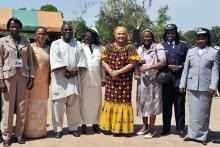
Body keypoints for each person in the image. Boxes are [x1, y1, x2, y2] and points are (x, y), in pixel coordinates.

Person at [179, 28, 219, 145]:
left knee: (203, 112)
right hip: (191, 86)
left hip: (206, 86)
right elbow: (186, 69)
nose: (200, 40)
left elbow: (215, 71)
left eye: (203, 38)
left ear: (207, 39)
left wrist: (213, 86)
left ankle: (202, 136)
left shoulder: (214, 52)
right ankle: (191, 134)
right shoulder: (190, 52)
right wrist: (182, 84)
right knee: (192, 112)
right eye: (198, 38)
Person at [0, 18, 34, 146]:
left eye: (17, 27)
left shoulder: (26, 41)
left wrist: (32, 77)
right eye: (12, 26)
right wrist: (1, 80)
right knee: (7, 107)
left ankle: (19, 135)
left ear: (20, 28)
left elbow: (30, 60)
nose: (15, 29)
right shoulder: (2, 41)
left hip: (23, 76)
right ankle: (6, 136)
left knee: (22, 107)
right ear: (8, 28)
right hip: (8, 77)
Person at [100, 26, 139, 136]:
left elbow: (133, 63)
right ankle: (110, 126)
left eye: (123, 34)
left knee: (123, 102)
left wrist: (118, 72)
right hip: (111, 80)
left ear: (126, 35)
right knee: (110, 100)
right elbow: (103, 61)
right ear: (114, 35)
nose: (121, 36)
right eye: (119, 34)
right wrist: (111, 71)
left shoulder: (130, 48)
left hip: (124, 81)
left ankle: (122, 128)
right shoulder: (109, 47)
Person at [50, 23, 87, 138]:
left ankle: (73, 128)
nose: (68, 32)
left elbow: (82, 61)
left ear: (73, 32)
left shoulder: (78, 44)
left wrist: (74, 72)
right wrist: (67, 71)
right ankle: (58, 129)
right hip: (60, 80)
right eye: (65, 30)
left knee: (73, 106)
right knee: (58, 106)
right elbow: (55, 60)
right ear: (61, 32)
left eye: (70, 30)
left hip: (74, 79)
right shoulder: (55, 44)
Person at [134, 29, 166, 139]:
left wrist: (148, 66)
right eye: (144, 37)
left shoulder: (158, 47)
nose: (146, 39)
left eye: (149, 36)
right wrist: (136, 73)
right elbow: (136, 62)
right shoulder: (139, 48)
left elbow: (163, 62)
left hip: (154, 79)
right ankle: (145, 126)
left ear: (152, 37)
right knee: (142, 103)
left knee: (153, 103)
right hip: (142, 80)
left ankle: (152, 128)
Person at [160, 24, 188, 138]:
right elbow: (158, 61)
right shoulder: (161, 46)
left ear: (176, 33)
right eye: (168, 32)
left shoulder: (182, 45)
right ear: (165, 34)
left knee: (179, 105)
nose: (170, 34)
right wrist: (167, 66)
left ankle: (180, 128)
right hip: (166, 81)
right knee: (166, 106)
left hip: (179, 81)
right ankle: (166, 128)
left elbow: (188, 62)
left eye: (172, 32)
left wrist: (180, 67)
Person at [24, 27, 50, 138]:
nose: (41, 36)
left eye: (43, 34)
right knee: (30, 106)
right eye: (39, 34)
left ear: (46, 36)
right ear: (35, 35)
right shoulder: (30, 47)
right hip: (32, 82)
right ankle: (29, 133)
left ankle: (41, 132)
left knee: (42, 106)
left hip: (44, 82)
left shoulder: (49, 48)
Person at [80, 27, 104, 134]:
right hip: (83, 79)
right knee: (83, 103)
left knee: (96, 103)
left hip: (96, 80)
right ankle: (84, 124)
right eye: (85, 36)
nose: (86, 37)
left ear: (94, 37)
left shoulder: (101, 48)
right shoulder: (80, 47)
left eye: (89, 36)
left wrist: (104, 78)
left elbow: (103, 65)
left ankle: (95, 123)